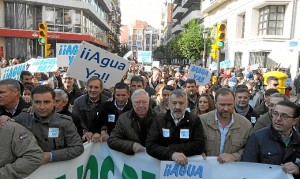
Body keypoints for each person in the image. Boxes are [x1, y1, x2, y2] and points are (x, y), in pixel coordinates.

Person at [14, 85, 84, 163]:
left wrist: (50, 156)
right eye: (37, 102)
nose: (42, 107)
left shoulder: (65, 122)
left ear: (54, 102)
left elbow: (77, 148)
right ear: (31, 102)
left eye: (47, 102)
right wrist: (4, 119)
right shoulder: (21, 119)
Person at [146, 89, 205, 166]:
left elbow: (199, 144)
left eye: (181, 103)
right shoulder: (159, 120)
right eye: (174, 103)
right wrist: (171, 154)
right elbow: (150, 145)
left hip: (188, 169)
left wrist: (172, 148)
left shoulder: (194, 120)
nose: (177, 107)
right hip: (162, 169)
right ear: (169, 103)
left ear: (186, 104)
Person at [242, 100, 300, 178]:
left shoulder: (298, 140)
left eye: (284, 116)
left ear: (295, 121)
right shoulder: (257, 138)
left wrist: (298, 169)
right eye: (275, 114)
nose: (278, 119)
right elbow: (248, 168)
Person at [199, 88, 252, 163]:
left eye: (229, 105)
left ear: (234, 103)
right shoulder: (201, 121)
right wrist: (198, 152)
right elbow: (193, 142)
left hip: (232, 171)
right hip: (206, 169)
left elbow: (250, 148)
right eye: (222, 105)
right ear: (215, 104)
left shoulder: (246, 125)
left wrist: (235, 156)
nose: (226, 108)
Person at [107, 89, 158, 155]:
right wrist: (131, 146)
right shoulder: (123, 118)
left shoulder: (160, 117)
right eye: (137, 102)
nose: (141, 105)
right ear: (132, 103)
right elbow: (112, 140)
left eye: (144, 102)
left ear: (149, 102)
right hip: (132, 161)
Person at [72, 76, 109, 142]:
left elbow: (108, 120)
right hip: (84, 139)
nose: (93, 90)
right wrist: (85, 131)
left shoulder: (108, 102)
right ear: (86, 88)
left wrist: (103, 131)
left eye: (96, 87)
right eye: (90, 87)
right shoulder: (77, 102)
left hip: (102, 139)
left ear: (101, 89)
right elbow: (77, 120)